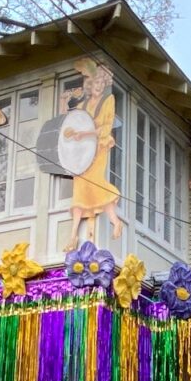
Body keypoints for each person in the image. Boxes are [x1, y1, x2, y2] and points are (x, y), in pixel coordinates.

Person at [60, 58, 123, 251]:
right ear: (89, 85)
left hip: (99, 148)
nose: (97, 86)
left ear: (104, 84)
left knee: (96, 183)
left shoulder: (108, 100)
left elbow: (106, 126)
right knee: (79, 190)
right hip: (82, 153)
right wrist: (64, 101)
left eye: (100, 83)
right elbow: (68, 121)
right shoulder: (83, 106)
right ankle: (72, 236)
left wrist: (84, 133)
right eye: (94, 83)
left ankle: (115, 220)